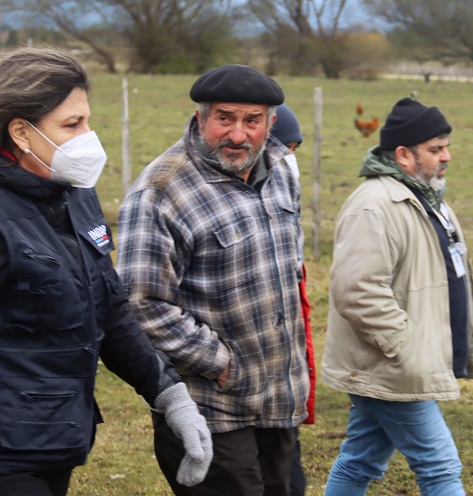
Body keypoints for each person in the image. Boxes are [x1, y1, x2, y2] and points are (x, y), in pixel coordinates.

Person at [0, 47, 212, 496]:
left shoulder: (73, 195)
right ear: (20, 131)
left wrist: (170, 396)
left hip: (50, 440)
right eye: (72, 125)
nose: (87, 137)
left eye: (87, 121)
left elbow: (110, 309)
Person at [115, 65, 309, 496]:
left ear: (270, 123)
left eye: (252, 121)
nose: (238, 135)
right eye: (225, 118)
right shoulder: (161, 190)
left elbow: (290, 267)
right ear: (201, 118)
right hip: (212, 407)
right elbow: (140, 302)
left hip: (279, 398)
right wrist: (220, 364)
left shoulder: (280, 171)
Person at [320, 97, 473, 496]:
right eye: (435, 149)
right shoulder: (374, 206)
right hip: (392, 365)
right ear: (403, 155)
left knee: (361, 459)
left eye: (446, 146)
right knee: (441, 467)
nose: (446, 157)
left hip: (397, 363)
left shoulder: (428, 201)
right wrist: (404, 346)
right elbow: (357, 290)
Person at [271, 103, 315, 496]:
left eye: (295, 151)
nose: (290, 160)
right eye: (285, 148)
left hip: (285, 382)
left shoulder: (286, 198)